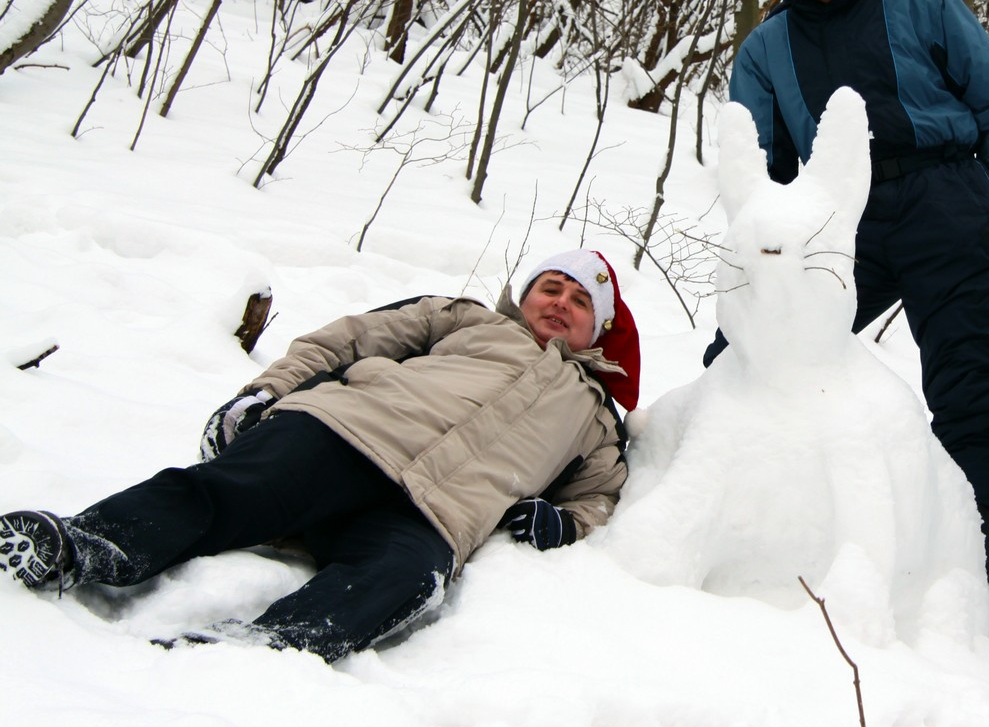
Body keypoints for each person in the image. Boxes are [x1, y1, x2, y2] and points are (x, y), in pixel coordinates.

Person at [0, 249, 641, 663]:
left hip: (437, 514)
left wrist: (563, 522)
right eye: (550, 288)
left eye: (580, 300)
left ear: (598, 328)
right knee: (225, 492)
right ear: (523, 295)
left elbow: (600, 495)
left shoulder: (594, 415)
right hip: (347, 435)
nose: (560, 302)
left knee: (406, 580)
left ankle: (259, 652)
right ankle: (76, 545)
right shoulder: (461, 318)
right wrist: (265, 391)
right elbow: (347, 339)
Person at [708, 0, 989, 582]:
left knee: (968, 382)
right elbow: (764, 164)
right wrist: (768, 258)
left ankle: (974, 556)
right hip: (840, 219)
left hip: (947, 197)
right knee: (749, 351)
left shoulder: (918, 0)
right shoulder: (767, 50)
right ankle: (745, 508)